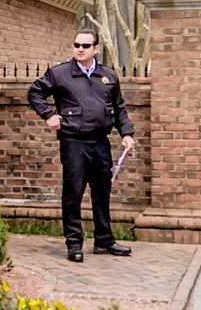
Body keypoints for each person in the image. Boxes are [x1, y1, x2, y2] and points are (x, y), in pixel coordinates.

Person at [27, 27, 135, 263]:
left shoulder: (108, 76)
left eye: (85, 46)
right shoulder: (60, 73)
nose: (80, 50)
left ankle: (104, 241)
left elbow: (118, 108)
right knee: (73, 192)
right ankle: (74, 243)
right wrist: (48, 115)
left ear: (96, 49)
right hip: (74, 142)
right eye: (77, 45)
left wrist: (126, 133)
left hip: (100, 142)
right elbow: (35, 92)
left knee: (102, 191)